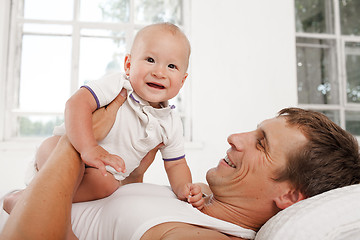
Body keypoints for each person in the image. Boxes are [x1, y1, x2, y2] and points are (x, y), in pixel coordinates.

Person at [2, 91, 360, 239]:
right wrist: (136, 177)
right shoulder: (199, 204)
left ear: (290, 195)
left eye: (261, 143)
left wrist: (78, 141)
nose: (235, 137)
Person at [4, 22, 204, 211]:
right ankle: (26, 199)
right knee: (58, 153)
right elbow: (76, 104)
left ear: (183, 80)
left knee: (107, 185)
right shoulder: (119, 85)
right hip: (64, 149)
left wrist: (184, 189)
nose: (159, 72)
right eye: (150, 60)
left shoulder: (170, 123)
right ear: (128, 64)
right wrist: (88, 147)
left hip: (99, 174)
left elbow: (176, 163)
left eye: (172, 66)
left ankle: (27, 199)